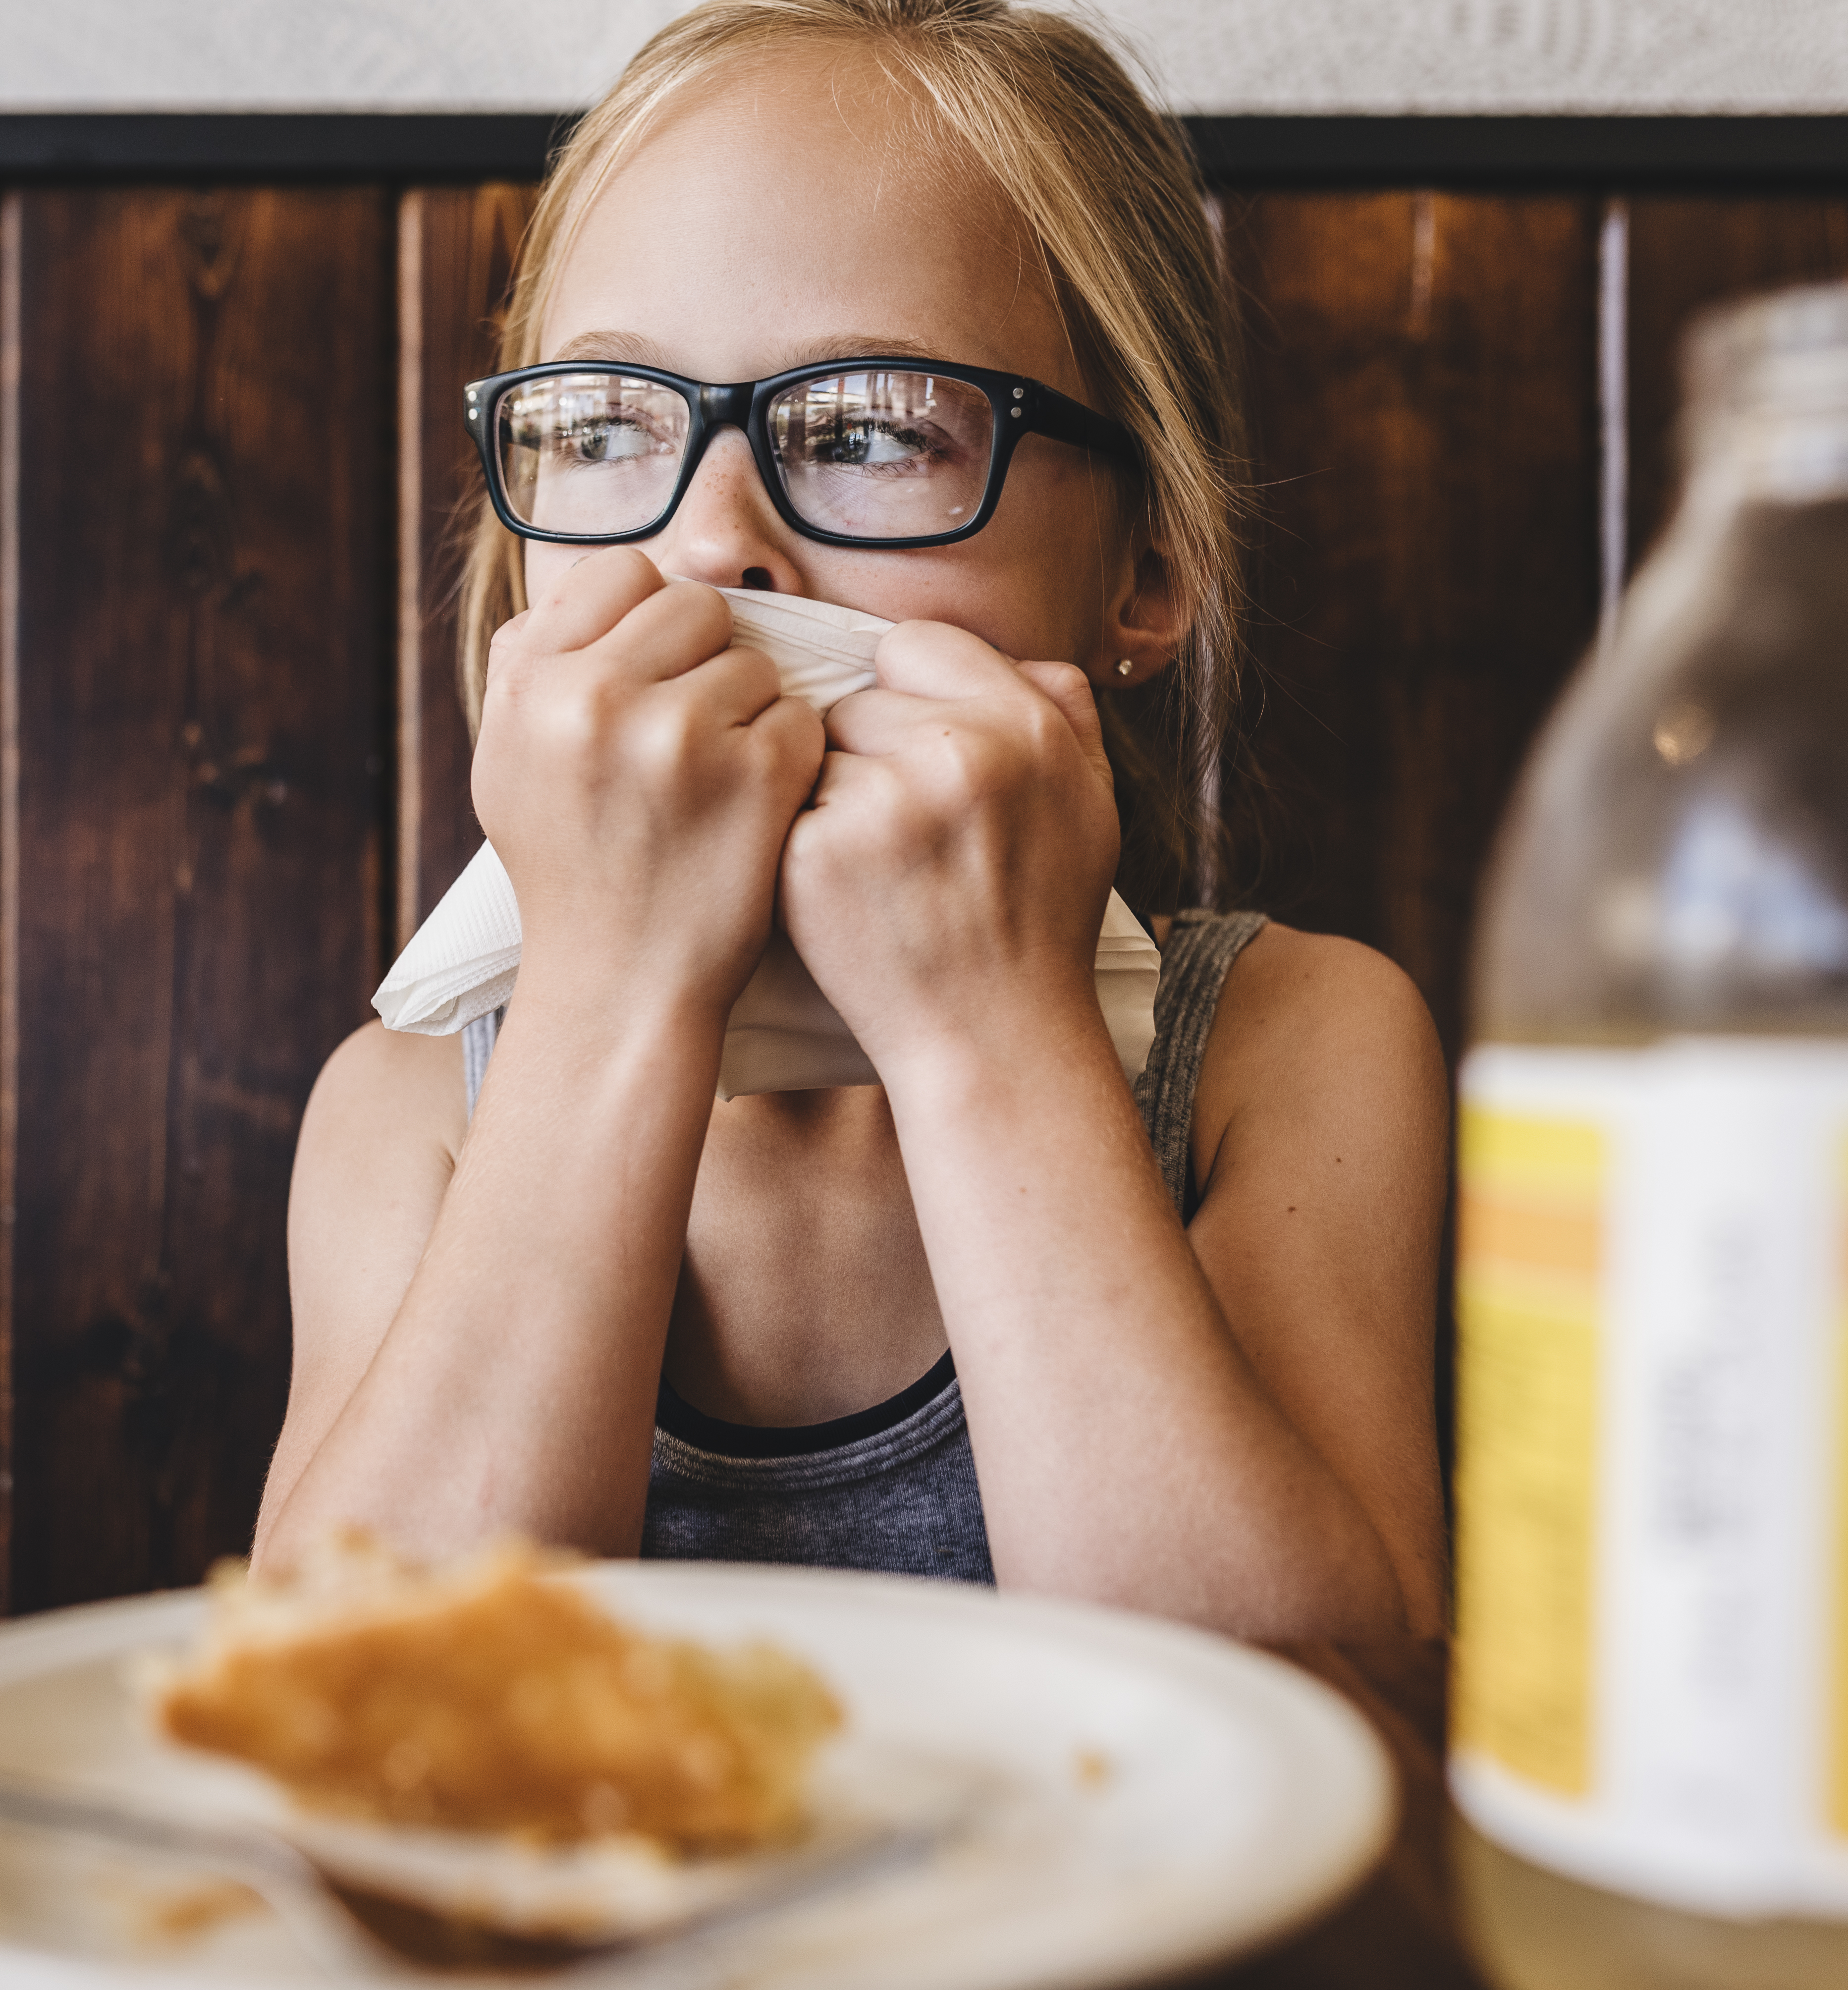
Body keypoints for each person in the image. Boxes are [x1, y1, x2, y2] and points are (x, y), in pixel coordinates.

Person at [257, 0, 1448, 1639]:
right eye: (608, 427)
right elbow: (358, 1709)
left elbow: (1315, 1725)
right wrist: (606, 992)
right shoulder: (412, 1112)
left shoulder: (1290, 1049)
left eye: (875, 427)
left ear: (1146, 568)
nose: (710, 546)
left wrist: (988, 1031)